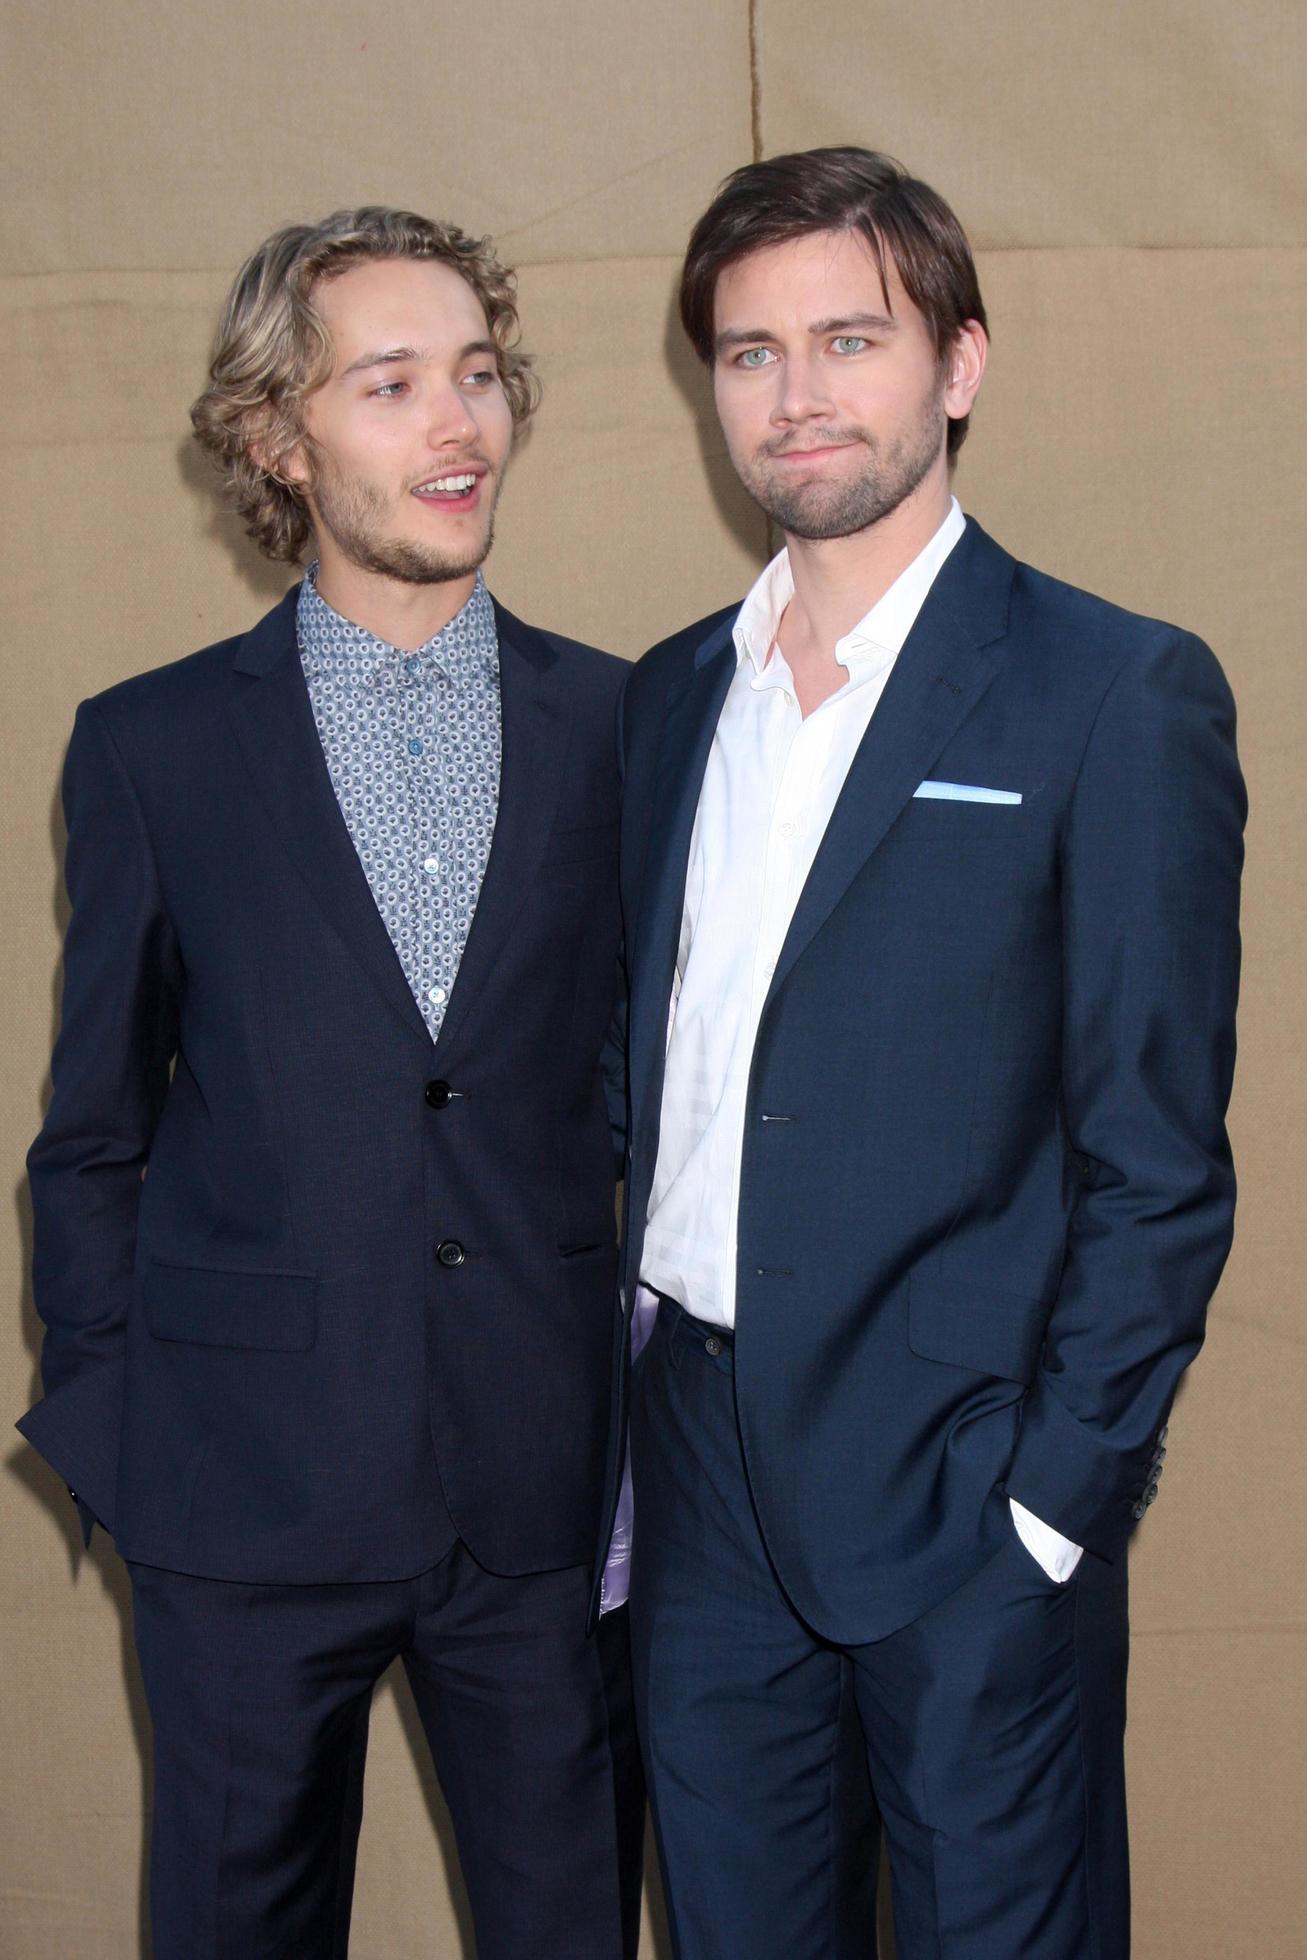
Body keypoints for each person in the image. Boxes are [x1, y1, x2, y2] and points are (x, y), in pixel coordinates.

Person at [597, 147, 1244, 1958]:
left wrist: (1051, 1509)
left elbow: (1159, 1165)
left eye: (850, 339)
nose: (797, 396)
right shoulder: (667, 700)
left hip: (968, 1485)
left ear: (958, 363)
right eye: (748, 353)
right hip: (703, 1484)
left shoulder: (1115, 693)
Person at [20, 206, 641, 1960]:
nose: (460, 424)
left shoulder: (629, 725)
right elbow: (94, 1135)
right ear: (277, 441)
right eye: (391, 384)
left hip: (541, 1500)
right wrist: (123, 1442)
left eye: (478, 374)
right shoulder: (150, 748)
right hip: (237, 1500)